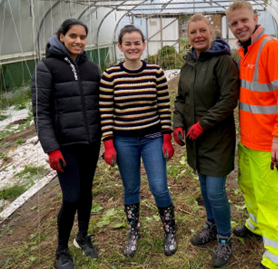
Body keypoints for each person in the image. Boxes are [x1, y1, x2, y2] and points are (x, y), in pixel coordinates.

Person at [226, 1, 278, 269]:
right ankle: (256, 225)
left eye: (244, 20)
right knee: (249, 186)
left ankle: (275, 259)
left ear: (255, 18)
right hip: (250, 139)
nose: (240, 26)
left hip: (269, 144)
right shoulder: (246, 50)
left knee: (272, 198)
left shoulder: (270, 48)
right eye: (234, 23)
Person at [99, 25, 177, 258]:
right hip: (124, 141)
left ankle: (170, 230)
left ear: (144, 45)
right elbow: (105, 112)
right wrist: (108, 143)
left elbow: (164, 107)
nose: (133, 47)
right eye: (128, 43)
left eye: (137, 43)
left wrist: (166, 138)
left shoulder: (155, 72)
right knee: (131, 187)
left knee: (159, 187)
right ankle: (134, 231)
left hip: (152, 138)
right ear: (120, 46)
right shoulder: (110, 75)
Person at [31, 19, 102, 269]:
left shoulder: (93, 69)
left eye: (83, 37)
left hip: (91, 143)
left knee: (86, 193)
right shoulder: (46, 67)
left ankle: (82, 237)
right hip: (65, 146)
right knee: (71, 197)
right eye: (73, 36)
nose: (78, 41)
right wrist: (51, 148)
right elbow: (41, 112)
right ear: (61, 36)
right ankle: (61, 249)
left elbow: (102, 106)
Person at [173, 14, 239, 268]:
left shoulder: (223, 62)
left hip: (217, 137)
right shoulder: (188, 63)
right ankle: (211, 227)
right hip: (194, 137)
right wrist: (178, 123)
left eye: (202, 30)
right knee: (203, 184)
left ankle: (224, 239)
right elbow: (180, 98)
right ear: (187, 36)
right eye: (193, 32)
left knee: (215, 190)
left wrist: (202, 124)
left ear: (211, 32)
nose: (198, 35)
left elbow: (228, 100)